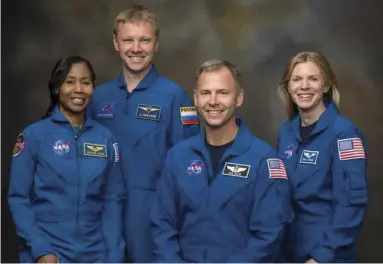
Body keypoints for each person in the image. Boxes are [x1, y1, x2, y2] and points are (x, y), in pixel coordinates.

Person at [87, 5, 199, 262]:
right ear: (116, 43)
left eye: (144, 40)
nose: (136, 48)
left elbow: (190, 172)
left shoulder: (175, 98)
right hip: (103, 222)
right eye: (128, 40)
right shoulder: (97, 98)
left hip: (154, 223)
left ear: (156, 44)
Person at [151, 59, 293, 262]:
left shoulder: (264, 160)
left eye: (223, 93)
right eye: (206, 93)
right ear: (196, 99)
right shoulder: (177, 157)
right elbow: (162, 227)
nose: (213, 101)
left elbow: (269, 236)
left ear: (239, 98)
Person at [8, 56, 125, 263]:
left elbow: (113, 200)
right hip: (49, 254)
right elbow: (19, 199)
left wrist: (114, 256)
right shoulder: (33, 137)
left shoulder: (105, 139)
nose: (79, 89)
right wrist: (41, 249)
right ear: (56, 88)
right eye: (70, 81)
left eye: (86, 82)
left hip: (95, 255)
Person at [276, 51, 368, 263]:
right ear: (289, 87)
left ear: (326, 86)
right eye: (297, 79)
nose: (304, 86)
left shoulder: (344, 134)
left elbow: (352, 203)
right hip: (289, 253)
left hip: (328, 255)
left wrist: (321, 257)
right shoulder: (286, 132)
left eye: (313, 79)